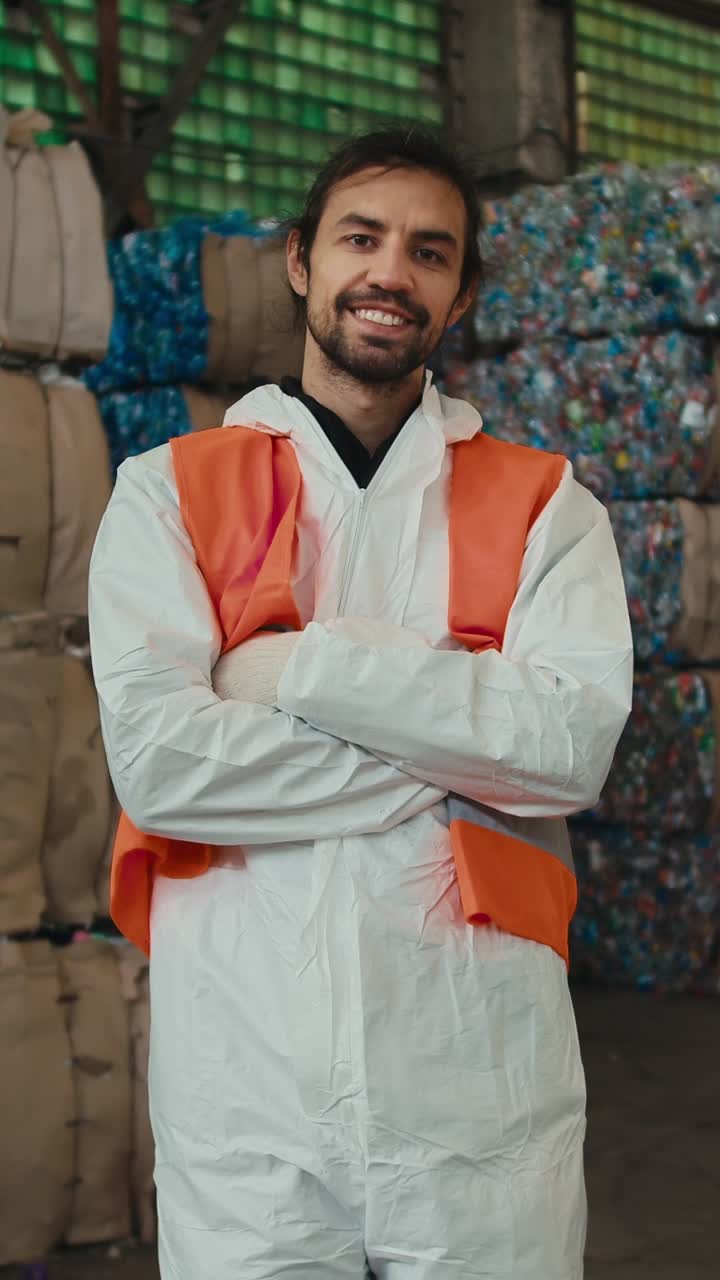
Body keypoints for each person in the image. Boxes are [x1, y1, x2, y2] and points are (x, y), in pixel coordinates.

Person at [89, 128, 633, 1279]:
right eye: (362, 238)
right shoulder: (167, 492)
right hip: (249, 1099)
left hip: (483, 1092)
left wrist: (300, 669)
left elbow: (570, 749)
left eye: (431, 253)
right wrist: (460, 736)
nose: (393, 271)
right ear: (302, 261)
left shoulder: (546, 507)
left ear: (461, 293)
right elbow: (165, 768)